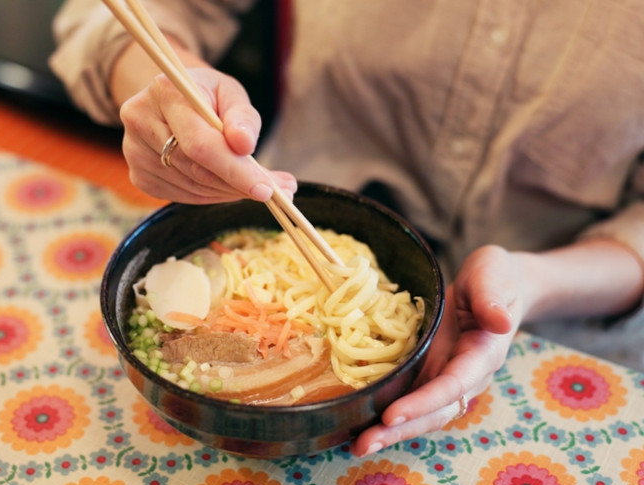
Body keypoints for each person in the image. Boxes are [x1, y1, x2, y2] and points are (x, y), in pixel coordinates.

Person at [50, 0, 644, 457]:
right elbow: (115, 15)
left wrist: (529, 282)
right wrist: (177, 103)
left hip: (565, 343)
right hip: (273, 206)